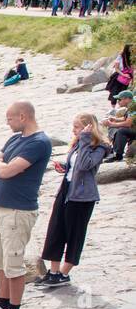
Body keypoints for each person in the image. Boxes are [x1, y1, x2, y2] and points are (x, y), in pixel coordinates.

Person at [0, 101, 53, 309]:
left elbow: (6, 170)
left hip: (18, 210)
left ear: (23, 116)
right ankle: (3, 304)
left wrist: (0, 167)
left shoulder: (38, 142)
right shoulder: (16, 139)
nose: (8, 123)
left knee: (14, 263)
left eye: (10, 119)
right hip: (2, 208)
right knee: (0, 260)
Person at [39, 113, 112, 288]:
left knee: (75, 234)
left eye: (77, 127)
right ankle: (53, 272)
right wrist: (64, 167)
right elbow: (75, 167)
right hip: (67, 190)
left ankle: (64, 273)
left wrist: (86, 139)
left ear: (88, 128)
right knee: (56, 229)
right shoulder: (79, 143)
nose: (74, 130)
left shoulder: (99, 147)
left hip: (82, 197)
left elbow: (86, 165)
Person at [106, 90, 135, 161]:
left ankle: (118, 155)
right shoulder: (131, 105)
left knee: (122, 131)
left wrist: (113, 124)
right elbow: (127, 118)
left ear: (127, 99)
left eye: (119, 99)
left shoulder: (134, 107)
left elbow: (128, 123)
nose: (118, 101)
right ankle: (114, 150)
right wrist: (115, 119)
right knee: (118, 129)